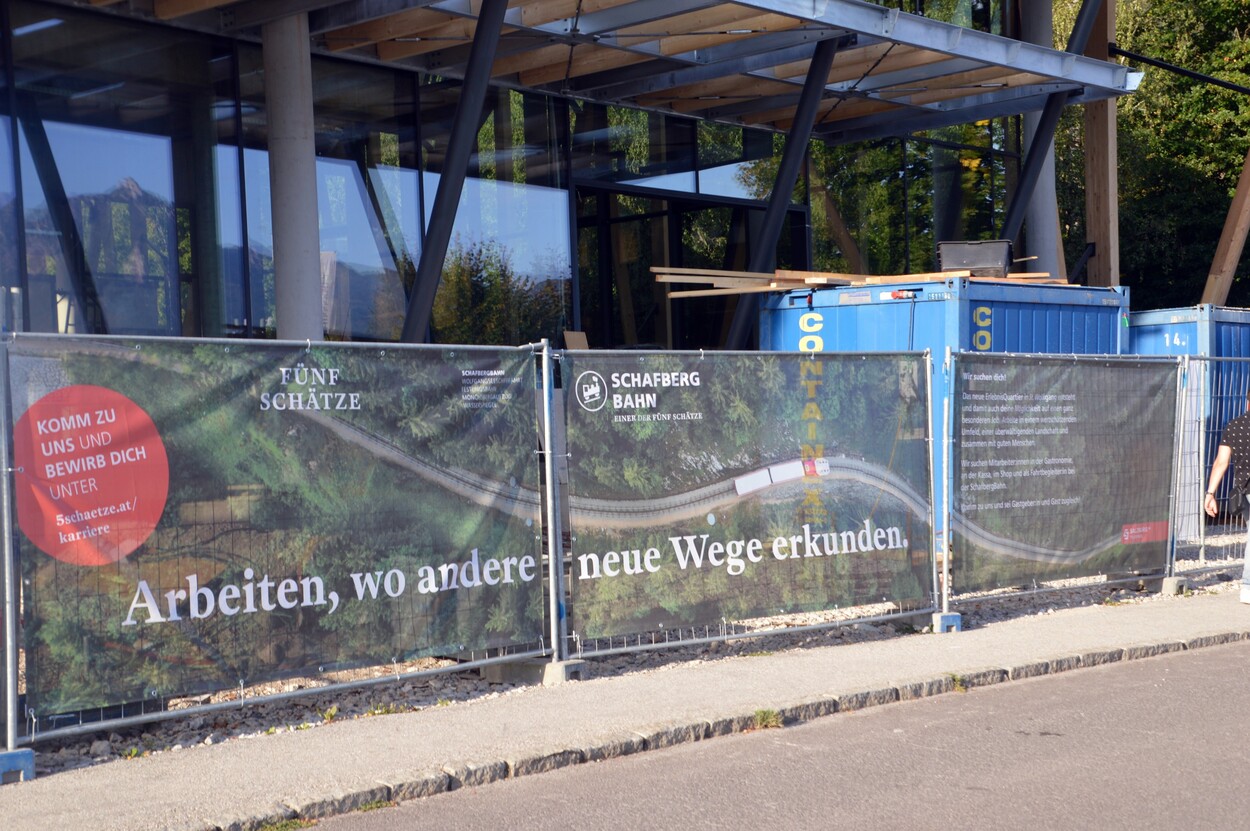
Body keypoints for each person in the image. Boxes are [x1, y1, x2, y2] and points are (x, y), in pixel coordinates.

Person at [1204, 396, 1250, 604]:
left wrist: (1210, 493)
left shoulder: (1234, 426)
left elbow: (1221, 462)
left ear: (1247, 402)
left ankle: (1248, 588)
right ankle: (1248, 585)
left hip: (1245, 491)